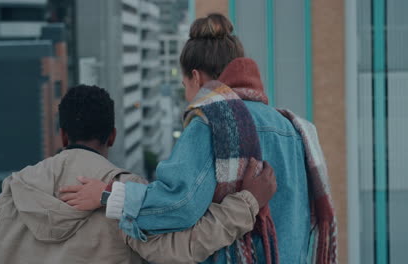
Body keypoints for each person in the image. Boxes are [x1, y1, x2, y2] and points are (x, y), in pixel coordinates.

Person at [60, 14, 337, 264]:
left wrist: (108, 196)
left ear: (195, 77)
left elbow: (179, 204)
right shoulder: (294, 129)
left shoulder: (212, 122)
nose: (187, 96)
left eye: (184, 87)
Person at [0, 85, 277, 264]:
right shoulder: (125, 194)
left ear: (62, 135)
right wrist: (247, 203)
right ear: (112, 136)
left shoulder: (13, 193)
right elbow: (180, 250)